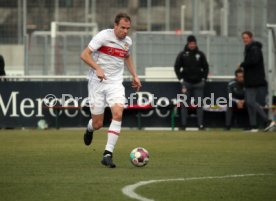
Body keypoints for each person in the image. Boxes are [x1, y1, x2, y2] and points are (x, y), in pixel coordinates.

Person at [80, 13, 141, 168]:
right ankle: (89, 129)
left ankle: (107, 154)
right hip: (97, 83)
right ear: (115, 25)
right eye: (122, 28)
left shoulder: (127, 41)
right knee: (98, 124)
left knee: (118, 113)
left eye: (128, 28)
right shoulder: (103, 36)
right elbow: (84, 55)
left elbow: (126, 56)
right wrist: (98, 68)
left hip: (115, 83)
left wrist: (135, 75)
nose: (125, 31)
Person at [239, 31, 275, 132]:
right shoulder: (250, 48)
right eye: (243, 38)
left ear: (251, 38)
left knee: (250, 101)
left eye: (246, 37)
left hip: (254, 79)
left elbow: (253, 61)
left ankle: (268, 121)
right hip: (251, 79)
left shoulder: (254, 49)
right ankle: (253, 125)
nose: (244, 39)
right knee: (249, 102)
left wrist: (242, 64)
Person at [174, 35, 209, 130]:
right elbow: (177, 67)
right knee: (184, 104)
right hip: (186, 83)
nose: (192, 45)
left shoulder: (200, 54)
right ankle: (183, 125)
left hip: (198, 83)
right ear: (188, 44)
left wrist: (204, 79)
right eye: (191, 43)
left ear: (196, 44)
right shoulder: (182, 54)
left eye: (194, 43)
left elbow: (206, 67)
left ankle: (200, 125)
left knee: (199, 104)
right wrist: (180, 79)